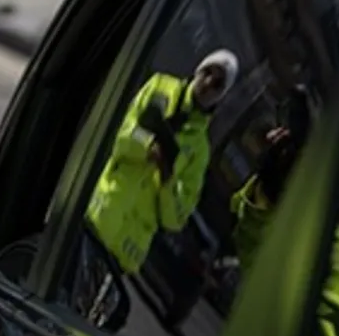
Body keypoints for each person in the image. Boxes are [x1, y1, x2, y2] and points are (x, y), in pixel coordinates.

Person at [86, 50, 239, 276]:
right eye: (207, 72)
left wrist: (168, 179)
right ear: (198, 69)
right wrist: (147, 147)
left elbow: (176, 218)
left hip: (124, 252)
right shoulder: (159, 87)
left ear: (221, 96)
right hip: (97, 219)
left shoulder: (200, 150)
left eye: (217, 84)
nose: (207, 83)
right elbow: (118, 134)